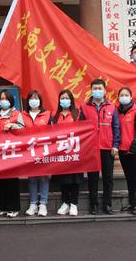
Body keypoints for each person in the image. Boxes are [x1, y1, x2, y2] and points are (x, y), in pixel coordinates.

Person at [80, 79, 120, 215]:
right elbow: (81, 129)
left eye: (99, 88)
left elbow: (116, 127)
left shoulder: (111, 107)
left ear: (104, 90)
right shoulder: (84, 107)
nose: (97, 91)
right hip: (92, 149)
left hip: (107, 147)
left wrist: (115, 145)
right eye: (95, 88)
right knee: (93, 178)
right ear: (91, 90)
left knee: (108, 178)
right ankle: (94, 205)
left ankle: (107, 205)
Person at [21, 91, 52, 217]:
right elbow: (18, 130)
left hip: (43, 149)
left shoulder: (47, 114)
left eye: (36, 98)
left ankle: (43, 204)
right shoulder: (22, 115)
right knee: (32, 177)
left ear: (40, 100)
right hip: (29, 150)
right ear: (27, 101)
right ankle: (33, 204)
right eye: (31, 98)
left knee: (44, 177)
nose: (34, 100)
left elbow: (53, 131)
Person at [0, 89, 23, 218]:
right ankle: (2, 207)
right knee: (1, 181)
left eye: (6, 98)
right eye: (1, 98)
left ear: (11, 100)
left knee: (12, 181)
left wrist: (12, 125)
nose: (3, 101)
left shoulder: (17, 113)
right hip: (0, 151)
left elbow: (23, 129)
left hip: (12, 151)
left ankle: (14, 208)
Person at [53, 89, 82, 217]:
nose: (64, 100)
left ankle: (74, 203)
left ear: (71, 100)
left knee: (74, 179)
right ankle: (65, 202)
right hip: (60, 151)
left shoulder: (77, 114)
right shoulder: (55, 116)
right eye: (62, 98)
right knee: (63, 179)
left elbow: (82, 131)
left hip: (74, 151)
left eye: (67, 98)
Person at [117, 87, 136, 215]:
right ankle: (132, 202)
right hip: (122, 150)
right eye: (121, 95)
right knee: (128, 178)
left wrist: (132, 149)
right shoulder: (118, 111)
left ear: (131, 96)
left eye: (126, 95)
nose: (123, 97)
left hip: (134, 151)